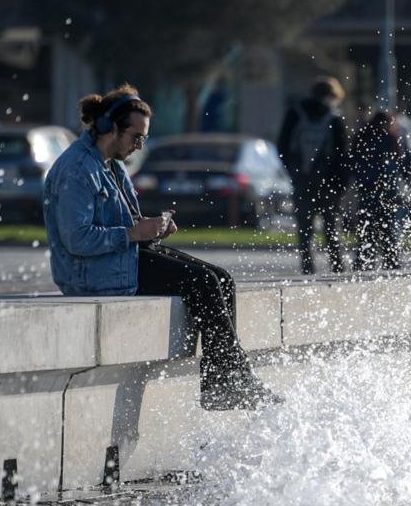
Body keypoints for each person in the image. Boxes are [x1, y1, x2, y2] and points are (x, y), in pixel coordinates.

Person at [43, 85, 275, 411]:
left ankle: (224, 382)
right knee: (203, 282)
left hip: (118, 258)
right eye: (136, 137)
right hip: (91, 273)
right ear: (111, 128)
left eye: (144, 139)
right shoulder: (77, 170)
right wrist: (134, 233)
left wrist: (153, 229)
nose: (140, 146)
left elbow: (128, 226)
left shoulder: (112, 165)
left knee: (220, 278)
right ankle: (227, 385)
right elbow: (77, 239)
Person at [277, 76, 350, 275]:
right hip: (329, 184)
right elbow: (342, 156)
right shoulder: (334, 118)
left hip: (302, 179)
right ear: (332, 96)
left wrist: (293, 171)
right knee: (331, 227)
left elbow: (282, 145)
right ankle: (337, 267)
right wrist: (341, 184)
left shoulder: (295, 113)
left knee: (305, 228)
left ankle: (308, 268)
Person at [349, 109, 411, 270]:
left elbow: (354, 164)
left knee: (366, 231)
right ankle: (391, 264)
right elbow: (403, 164)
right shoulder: (390, 138)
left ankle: (363, 264)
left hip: (367, 191)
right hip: (387, 192)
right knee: (388, 231)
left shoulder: (361, 138)